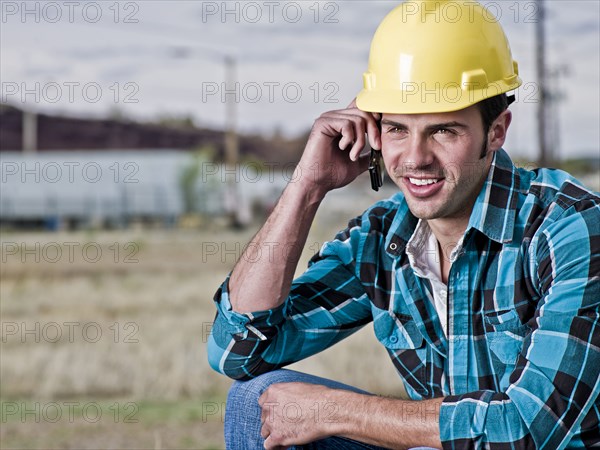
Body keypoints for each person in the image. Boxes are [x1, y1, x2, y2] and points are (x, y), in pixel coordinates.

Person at [207, 1, 600, 448]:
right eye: (396, 129)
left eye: (443, 131)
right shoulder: (381, 239)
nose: (414, 159)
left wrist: (337, 411)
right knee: (254, 399)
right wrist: (308, 188)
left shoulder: (568, 227)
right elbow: (237, 351)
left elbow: (530, 428)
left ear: (496, 130)